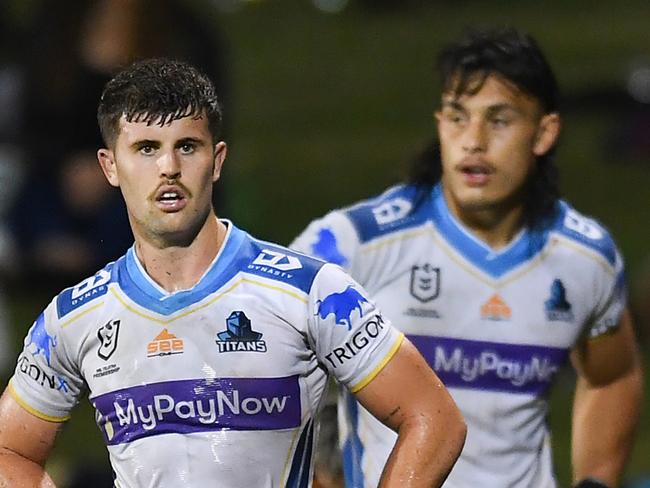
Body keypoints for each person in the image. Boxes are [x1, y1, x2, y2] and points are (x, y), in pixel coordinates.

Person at [0, 58, 465, 487]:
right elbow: (9, 451)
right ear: (110, 167)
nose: (168, 168)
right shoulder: (74, 317)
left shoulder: (309, 291)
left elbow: (434, 417)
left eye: (187, 146)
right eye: (145, 148)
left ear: (217, 160)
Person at [291, 28, 643, 488]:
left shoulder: (585, 259)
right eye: (458, 117)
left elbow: (611, 376)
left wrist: (595, 482)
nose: (473, 140)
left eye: (498, 120)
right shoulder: (355, 243)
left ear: (544, 133)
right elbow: (262, 358)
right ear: (439, 123)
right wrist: (318, 468)